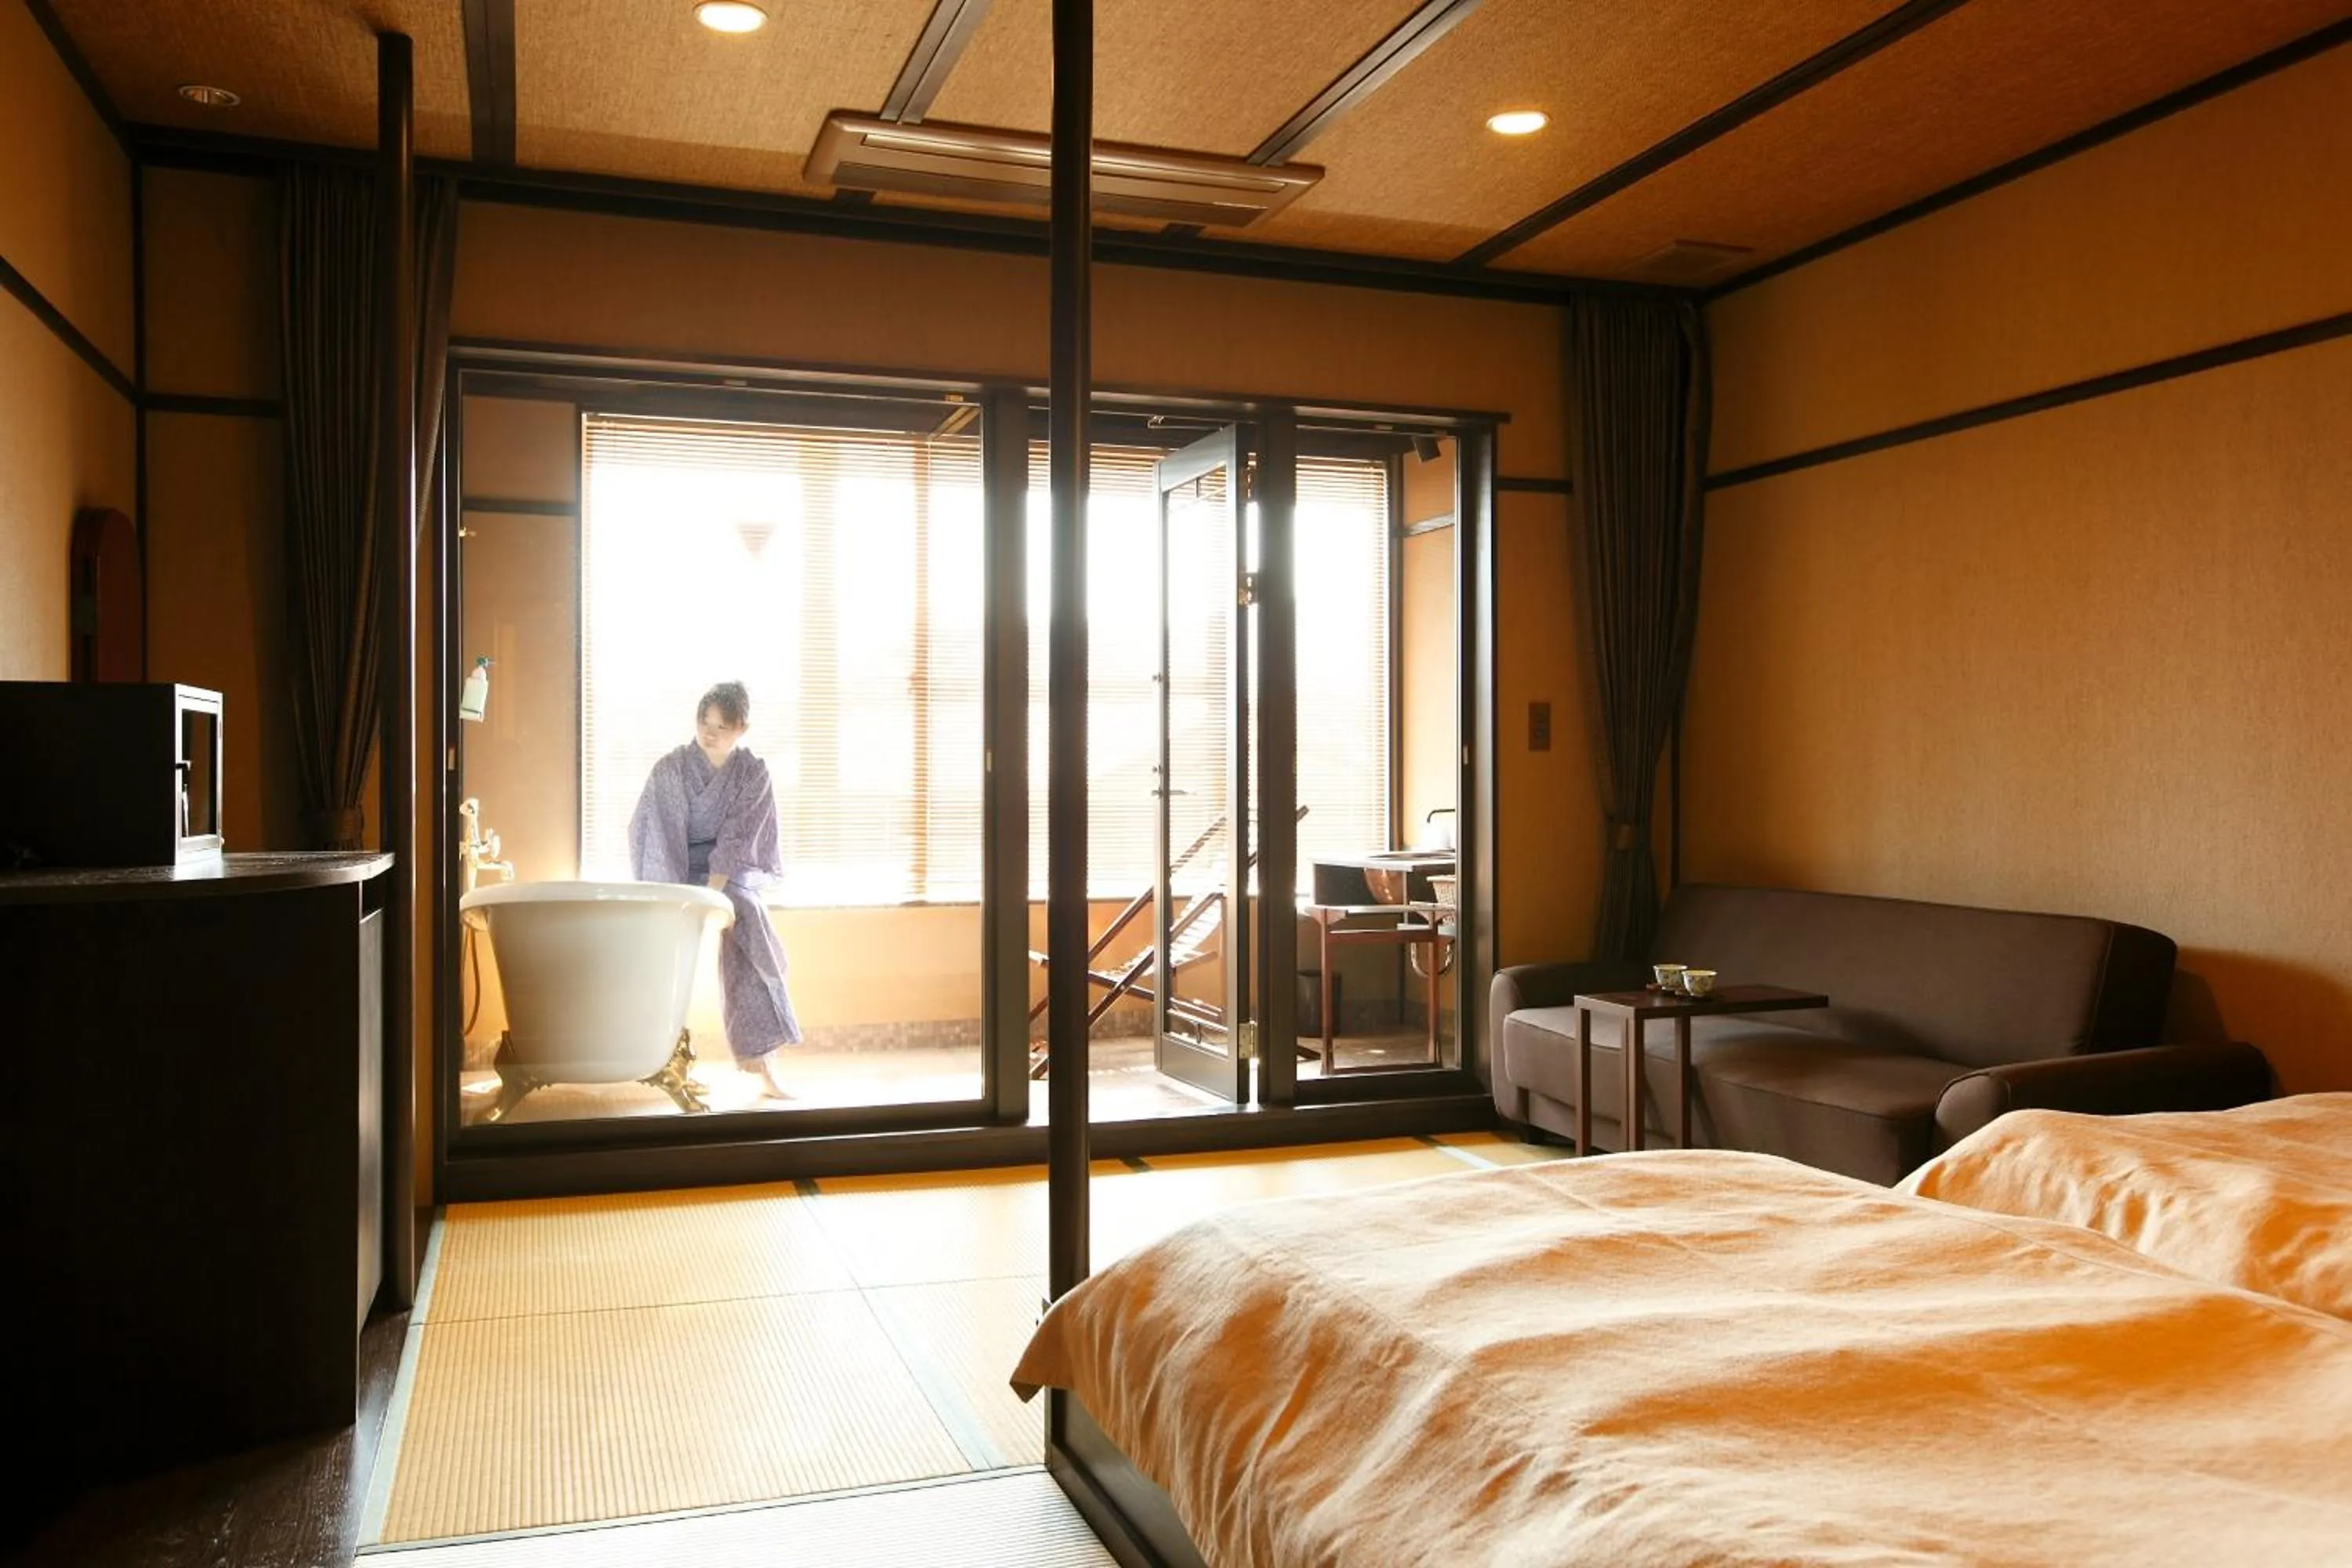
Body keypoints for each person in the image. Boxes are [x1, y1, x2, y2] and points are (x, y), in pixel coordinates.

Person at [627, 681, 802, 1099]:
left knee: (754, 931)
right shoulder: (672, 768)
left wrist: (714, 896)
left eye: (721, 726)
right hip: (674, 869)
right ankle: (664, 1060)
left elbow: (738, 840)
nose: (709, 733)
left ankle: (761, 1061)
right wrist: (676, 901)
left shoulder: (752, 773)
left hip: (727, 875)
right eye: (704, 723)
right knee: (667, 952)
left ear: (741, 728)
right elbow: (662, 834)